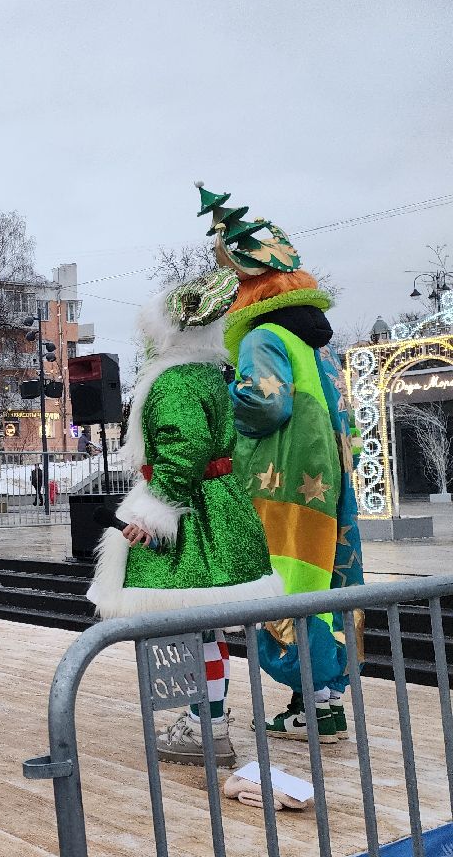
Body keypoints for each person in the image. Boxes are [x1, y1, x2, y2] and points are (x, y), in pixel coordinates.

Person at [87, 267, 282, 767]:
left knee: (195, 624)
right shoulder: (207, 375)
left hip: (191, 514)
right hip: (218, 509)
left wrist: (151, 514)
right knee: (208, 626)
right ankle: (207, 718)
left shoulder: (174, 381)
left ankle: (206, 725)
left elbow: (183, 449)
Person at [202, 184, 367, 744]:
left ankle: (315, 707)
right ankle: (322, 705)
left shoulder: (264, 337)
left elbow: (265, 403)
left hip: (282, 486)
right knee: (324, 585)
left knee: (283, 591)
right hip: (329, 488)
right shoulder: (318, 349)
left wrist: (227, 398)